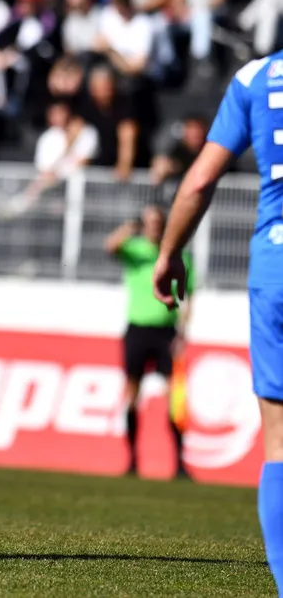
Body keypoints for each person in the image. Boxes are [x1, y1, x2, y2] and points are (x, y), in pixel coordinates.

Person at [153, 52, 283, 594]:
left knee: (279, 444)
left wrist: (169, 251)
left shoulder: (255, 77)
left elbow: (199, 180)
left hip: (276, 269)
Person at [106, 205, 192, 479]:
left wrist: (182, 333)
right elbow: (110, 246)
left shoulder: (178, 255)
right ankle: (132, 460)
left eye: (158, 222)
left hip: (166, 333)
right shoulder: (135, 250)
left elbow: (188, 296)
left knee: (174, 397)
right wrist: (129, 228)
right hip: (138, 330)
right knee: (132, 393)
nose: (154, 227)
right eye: (149, 222)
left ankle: (179, 464)